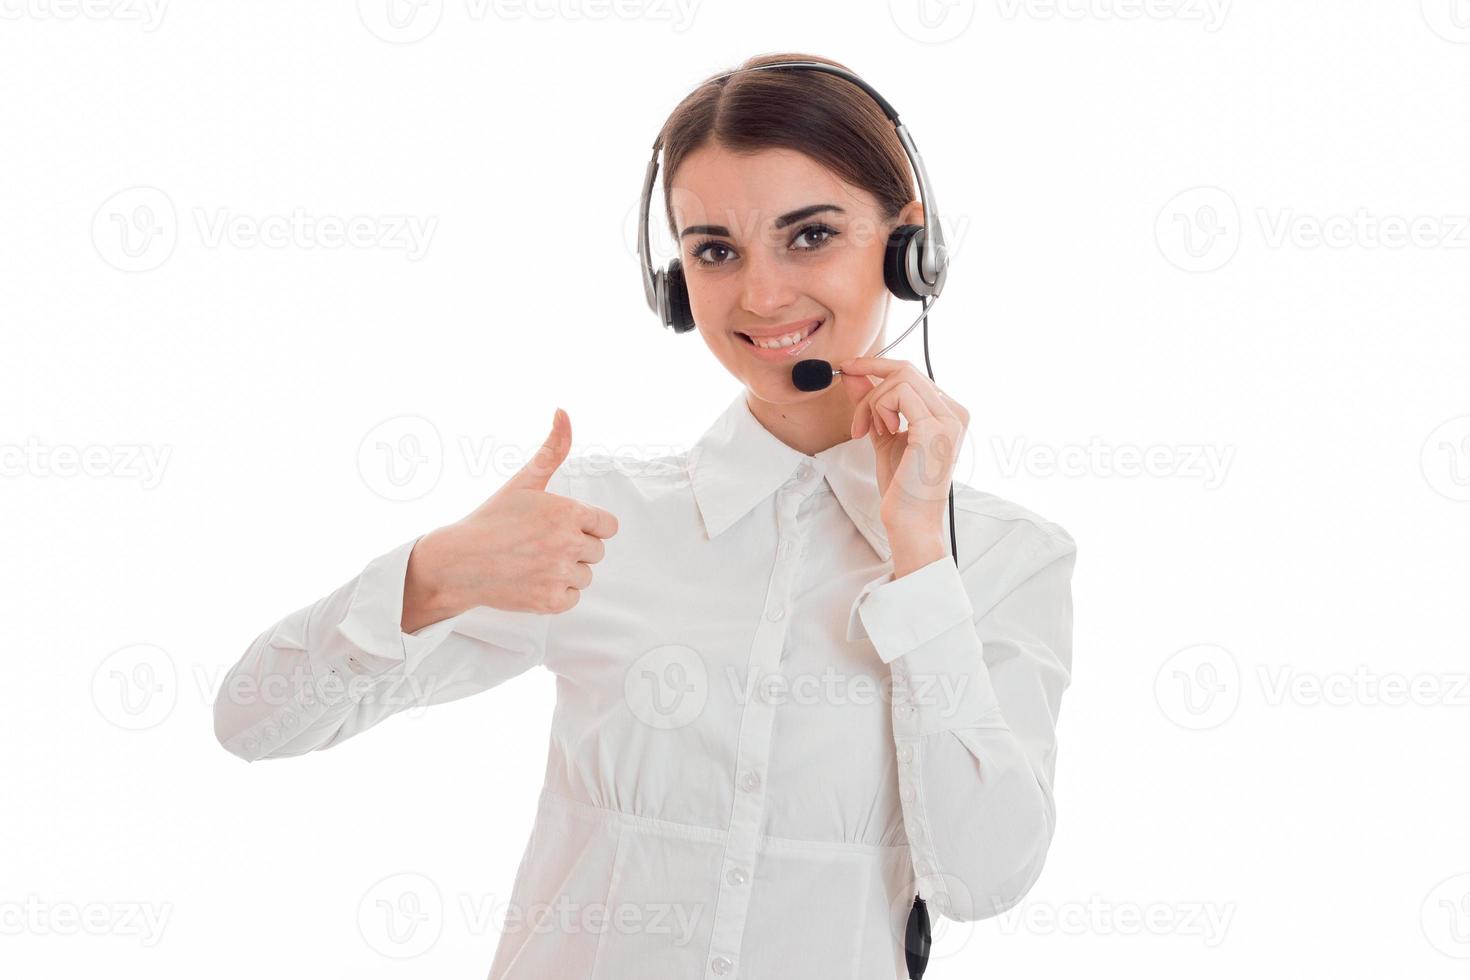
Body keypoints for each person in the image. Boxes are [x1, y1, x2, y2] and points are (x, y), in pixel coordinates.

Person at [212, 51, 1078, 980]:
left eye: (810, 235)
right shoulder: (594, 521)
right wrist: (429, 576)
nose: (760, 295)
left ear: (911, 246)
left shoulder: (1001, 559)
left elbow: (984, 879)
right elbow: (253, 721)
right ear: (673, 281)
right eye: (715, 250)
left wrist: (919, 566)